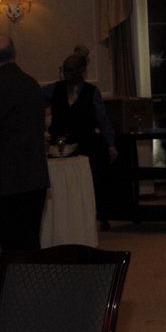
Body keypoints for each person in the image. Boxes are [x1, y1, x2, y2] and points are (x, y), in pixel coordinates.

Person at [43, 46, 117, 224]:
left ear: (82, 71)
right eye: (65, 69)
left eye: (71, 70)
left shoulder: (92, 91)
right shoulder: (53, 89)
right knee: (59, 181)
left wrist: (111, 144)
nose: (67, 74)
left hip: (86, 142)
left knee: (92, 180)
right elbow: (32, 104)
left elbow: (102, 119)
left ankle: (94, 216)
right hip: (60, 143)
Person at [0, 33, 49, 252]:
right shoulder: (31, 83)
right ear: (14, 53)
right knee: (30, 241)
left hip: (5, 180)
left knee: (11, 246)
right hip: (34, 177)